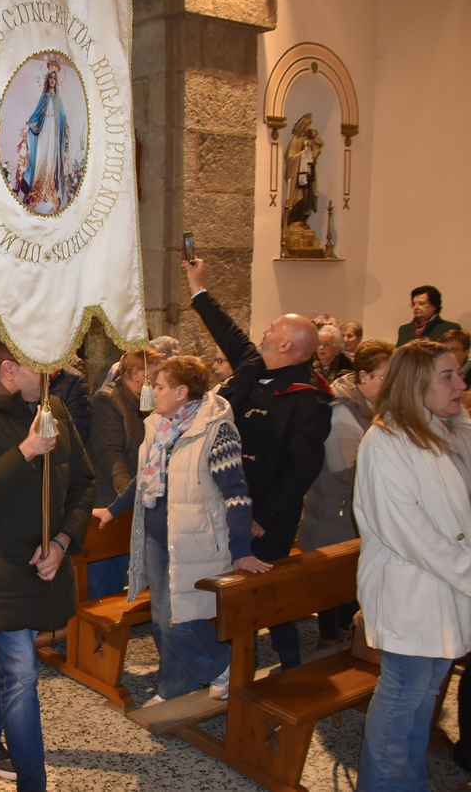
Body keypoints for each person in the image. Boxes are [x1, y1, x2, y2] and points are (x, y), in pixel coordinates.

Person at [0, 328, 94, 789]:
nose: (49, 373)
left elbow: (85, 483)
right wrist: (27, 450)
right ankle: (34, 783)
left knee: (10, 659)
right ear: (8, 370)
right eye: (37, 364)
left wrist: (64, 540)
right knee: (24, 672)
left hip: (44, 561)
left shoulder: (55, 408)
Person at [93, 356, 269, 705]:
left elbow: (235, 494)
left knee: (183, 620)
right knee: (162, 620)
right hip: (158, 537)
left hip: (195, 540)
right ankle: (174, 688)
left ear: (181, 391)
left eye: (159, 386)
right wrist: (114, 511)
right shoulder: (158, 426)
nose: (152, 391)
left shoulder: (216, 431)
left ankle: (223, 666)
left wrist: (242, 551)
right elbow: (145, 478)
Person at [184, 256, 331, 671]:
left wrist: (263, 516)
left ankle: (285, 665)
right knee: (231, 589)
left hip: (265, 518)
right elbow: (227, 331)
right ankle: (228, 665)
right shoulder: (254, 369)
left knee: (262, 594)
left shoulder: (309, 399)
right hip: (230, 505)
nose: (264, 333)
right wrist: (198, 286)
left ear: (288, 345)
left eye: (272, 330)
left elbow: (302, 470)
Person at [354, 339, 471, 789]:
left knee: (424, 702)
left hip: (443, 590)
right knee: (403, 699)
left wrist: (457, 415)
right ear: (416, 384)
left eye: (459, 374)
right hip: (411, 591)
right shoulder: (385, 442)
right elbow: (409, 530)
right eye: (447, 376)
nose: (460, 384)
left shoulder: (439, 430)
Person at [297, 339, 394, 651]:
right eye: (385, 377)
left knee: (347, 584)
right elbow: (345, 471)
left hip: (348, 513)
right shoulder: (342, 414)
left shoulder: (368, 408)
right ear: (363, 377)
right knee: (332, 587)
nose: (391, 385)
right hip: (335, 511)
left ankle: (342, 636)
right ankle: (331, 642)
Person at [87, 348, 162, 598]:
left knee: (121, 568)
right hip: (110, 498)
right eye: (155, 373)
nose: (160, 379)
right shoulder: (108, 400)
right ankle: (93, 632)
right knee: (102, 576)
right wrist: (130, 498)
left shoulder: (143, 399)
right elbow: (111, 456)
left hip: (131, 496)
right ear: (137, 373)